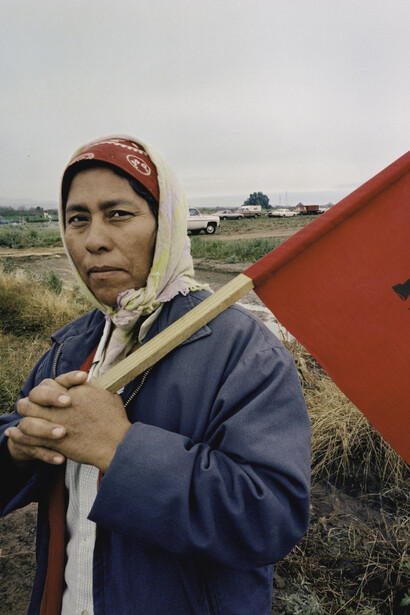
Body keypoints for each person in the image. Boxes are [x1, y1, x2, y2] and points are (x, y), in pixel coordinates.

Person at [0, 136, 311, 615]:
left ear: (165, 221)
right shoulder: (72, 348)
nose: (93, 239)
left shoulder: (242, 351)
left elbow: (269, 518)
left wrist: (120, 449)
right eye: (77, 218)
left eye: (118, 214)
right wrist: (18, 447)